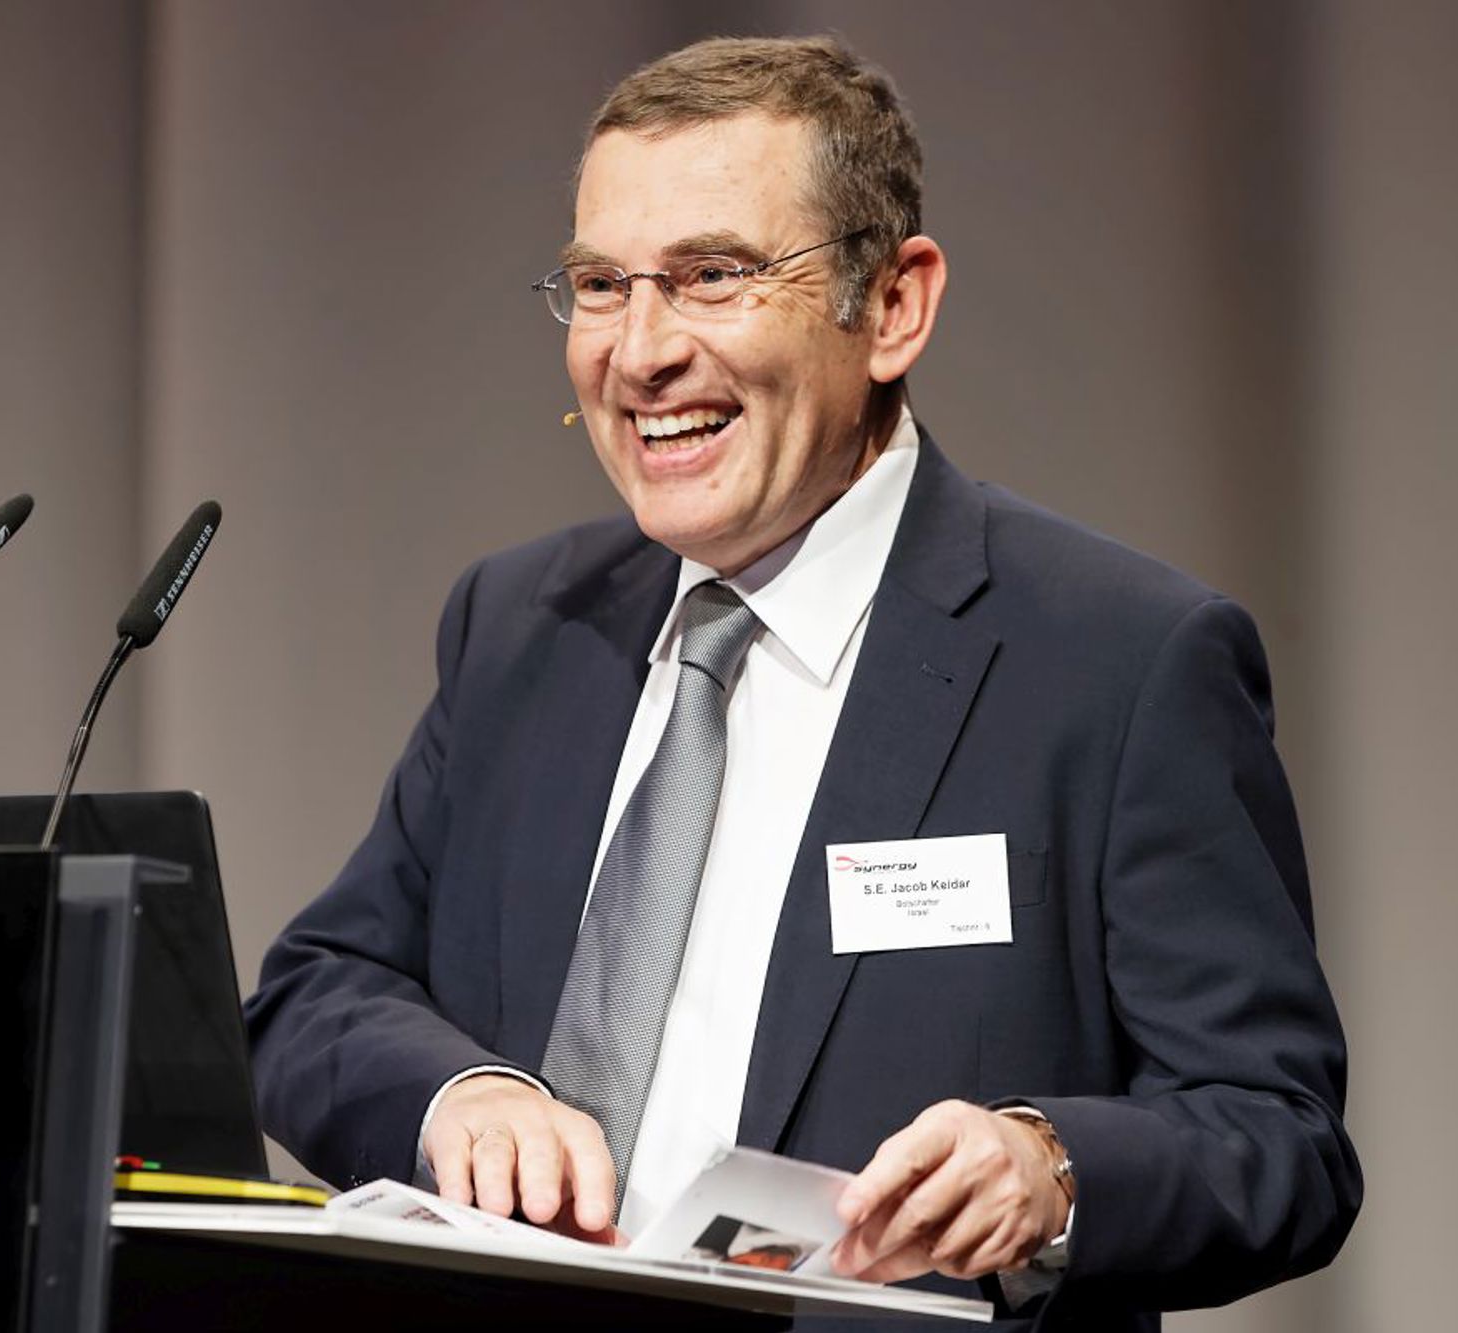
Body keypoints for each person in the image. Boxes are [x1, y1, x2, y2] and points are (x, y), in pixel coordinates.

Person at [244, 35, 1359, 1329]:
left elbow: (1277, 1136)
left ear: (892, 307)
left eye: (714, 276)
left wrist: (1051, 1169)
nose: (641, 352)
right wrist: (462, 1097)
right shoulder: (521, 626)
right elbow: (320, 990)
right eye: (602, 285)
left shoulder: (1119, 660)